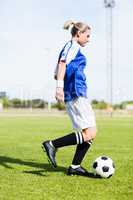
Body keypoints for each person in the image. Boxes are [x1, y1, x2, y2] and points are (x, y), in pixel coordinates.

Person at [42, 20, 97, 176]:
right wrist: (60, 86)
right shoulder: (72, 46)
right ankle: (52, 144)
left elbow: (58, 70)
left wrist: (61, 79)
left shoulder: (71, 47)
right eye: (87, 35)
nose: (89, 39)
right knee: (90, 133)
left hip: (78, 91)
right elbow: (61, 64)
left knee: (90, 132)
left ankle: (75, 166)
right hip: (75, 92)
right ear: (78, 34)